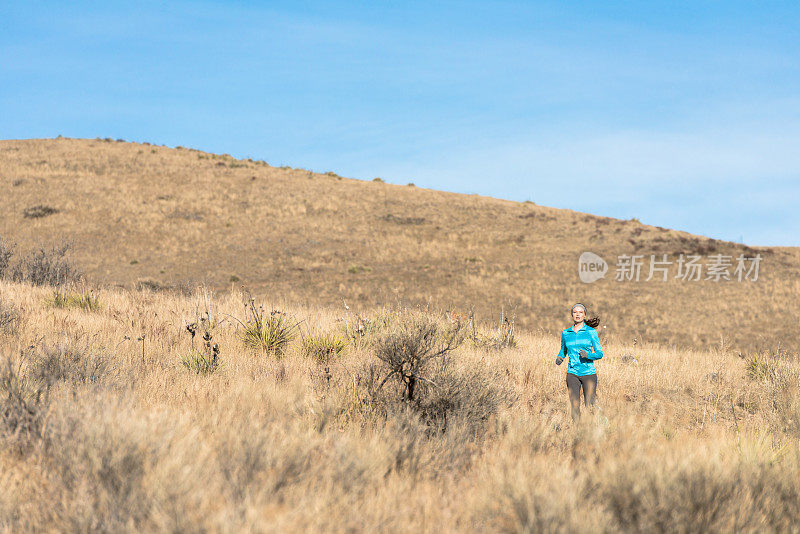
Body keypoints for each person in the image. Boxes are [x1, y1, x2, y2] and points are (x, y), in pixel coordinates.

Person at [555, 303, 603, 420]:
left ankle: (602, 423)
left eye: (580, 312)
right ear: (572, 315)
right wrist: (560, 357)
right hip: (572, 373)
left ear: (584, 315)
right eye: (575, 312)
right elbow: (563, 350)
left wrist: (588, 355)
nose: (578, 314)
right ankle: (577, 432)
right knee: (574, 406)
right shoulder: (566, 333)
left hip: (588, 373)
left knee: (590, 405)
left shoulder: (591, 332)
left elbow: (599, 353)